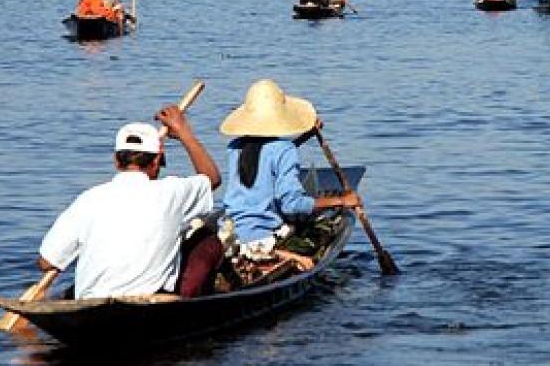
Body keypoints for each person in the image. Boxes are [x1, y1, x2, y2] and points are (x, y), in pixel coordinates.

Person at [35, 106, 222, 299]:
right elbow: (212, 178)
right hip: (150, 301)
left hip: (92, 300)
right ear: (156, 161)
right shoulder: (172, 192)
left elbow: (46, 263)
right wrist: (184, 132)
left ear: (117, 161)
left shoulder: (89, 199)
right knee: (208, 240)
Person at [220, 80, 360, 265]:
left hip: (228, 235)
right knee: (319, 228)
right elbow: (292, 205)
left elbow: (265, 158)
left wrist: (305, 136)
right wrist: (342, 201)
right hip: (262, 240)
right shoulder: (284, 150)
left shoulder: (235, 147)